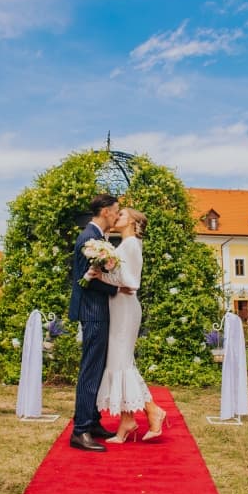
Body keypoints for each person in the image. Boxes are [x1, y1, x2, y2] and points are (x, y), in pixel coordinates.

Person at [95, 208, 168, 443]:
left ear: (134, 223)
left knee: (122, 363)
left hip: (125, 309)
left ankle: (152, 411)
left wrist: (103, 277)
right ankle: (127, 420)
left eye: (122, 215)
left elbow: (132, 282)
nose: (117, 217)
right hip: (118, 307)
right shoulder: (124, 245)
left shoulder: (131, 245)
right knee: (119, 363)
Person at [67, 194, 122, 452]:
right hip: (93, 312)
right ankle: (80, 431)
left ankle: (93, 421)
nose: (116, 215)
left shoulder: (97, 238)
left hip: (98, 311)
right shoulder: (88, 238)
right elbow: (84, 280)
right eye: (115, 211)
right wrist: (116, 289)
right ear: (104, 211)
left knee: (97, 369)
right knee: (90, 370)